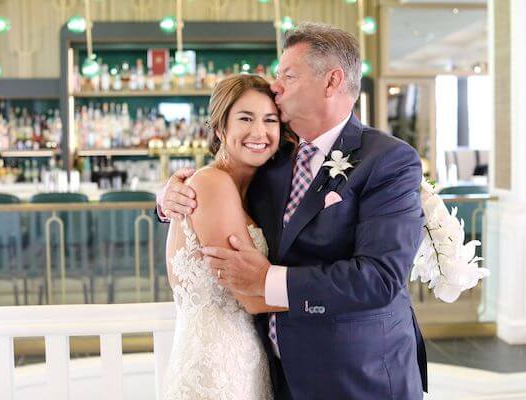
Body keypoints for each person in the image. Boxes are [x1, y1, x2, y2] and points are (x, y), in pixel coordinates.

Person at [158, 22, 428, 400]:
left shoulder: (388, 160)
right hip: (276, 376)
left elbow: (380, 278)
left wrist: (266, 281)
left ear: (331, 82)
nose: (276, 86)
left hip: (358, 378)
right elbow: (221, 183)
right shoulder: (273, 158)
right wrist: (170, 197)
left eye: (288, 75)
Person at [161, 74, 294, 399]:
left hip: (244, 360)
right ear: (220, 129)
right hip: (216, 368)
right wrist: (344, 295)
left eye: (269, 120)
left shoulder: (254, 189)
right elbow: (250, 292)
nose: (259, 132)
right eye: (245, 119)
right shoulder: (211, 184)